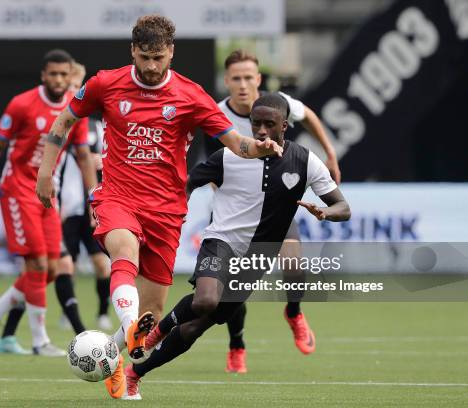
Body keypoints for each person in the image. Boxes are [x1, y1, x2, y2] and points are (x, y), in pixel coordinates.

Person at [35, 15, 282, 398]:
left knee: (147, 328)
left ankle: (113, 356)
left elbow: (237, 143)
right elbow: (64, 119)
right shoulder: (105, 83)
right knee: (123, 250)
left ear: (171, 53)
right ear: (133, 51)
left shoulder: (190, 95)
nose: (152, 66)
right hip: (117, 197)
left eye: (159, 57)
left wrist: (259, 149)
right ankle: (126, 331)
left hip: (167, 212)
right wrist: (45, 174)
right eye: (145, 57)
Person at [125, 93, 351, 399]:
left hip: (257, 258)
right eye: (255, 123)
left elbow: (343, 207)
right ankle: (155, 334)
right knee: (205, 300)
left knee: (197, 327)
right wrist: (183, 199)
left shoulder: (305, 161)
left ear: (284, 126)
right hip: (222, 242)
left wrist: (326, 212)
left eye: (268, 125)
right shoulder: (229, 156)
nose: (259, 130)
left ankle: (134, 374)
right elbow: (190, 181)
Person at [216, 50, 342, 373]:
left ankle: (294, 311)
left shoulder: (277, 103)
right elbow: (212, 162)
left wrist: (330, 153)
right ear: (227, 81)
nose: (243, 85)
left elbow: (310, 115)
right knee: (234, 289)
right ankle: (236, 346)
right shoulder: (217, 114)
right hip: (235, 215)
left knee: (293, 265)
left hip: (275, 209)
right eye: (236, 78)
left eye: (249, 77)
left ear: (258, 79)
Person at [0, 49, 97, 356]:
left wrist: (94, 197)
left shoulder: (74, 110)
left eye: (65, 74)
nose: (60, 80)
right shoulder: (22, 104)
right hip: (18, 190)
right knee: (36, 264)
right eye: (54, 74)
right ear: (43, 75)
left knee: (52, 268)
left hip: (47, 195)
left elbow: (82, 156)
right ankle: (40, 341)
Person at [57, 62, 112, 331]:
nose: (73, 91)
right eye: (70, 85)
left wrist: (101, 160)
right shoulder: (58, 123)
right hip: (68, 206)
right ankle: (68, 312)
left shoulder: (97, 125)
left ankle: (103, 312)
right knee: (67, 263)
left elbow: (110, 156)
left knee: (102, 264)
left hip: (92, 205)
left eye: (77, 86)